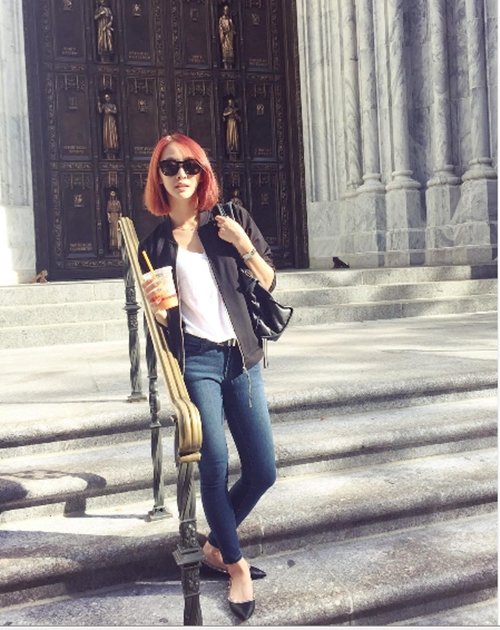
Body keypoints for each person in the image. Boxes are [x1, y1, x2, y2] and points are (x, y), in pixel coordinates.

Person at [139, 133, 277, 621]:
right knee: (214, 465)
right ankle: (235, 567)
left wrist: (243, 244)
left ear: (203, 172)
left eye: (191, 165)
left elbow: (270, 281)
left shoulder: (229, 220)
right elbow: (164, 321)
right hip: (197, 361)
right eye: (170, 166)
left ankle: (216, 545)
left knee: (263, 470)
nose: (181, 174)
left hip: (242, 359)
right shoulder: (153, 245)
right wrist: (158, 312)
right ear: (158, 176)